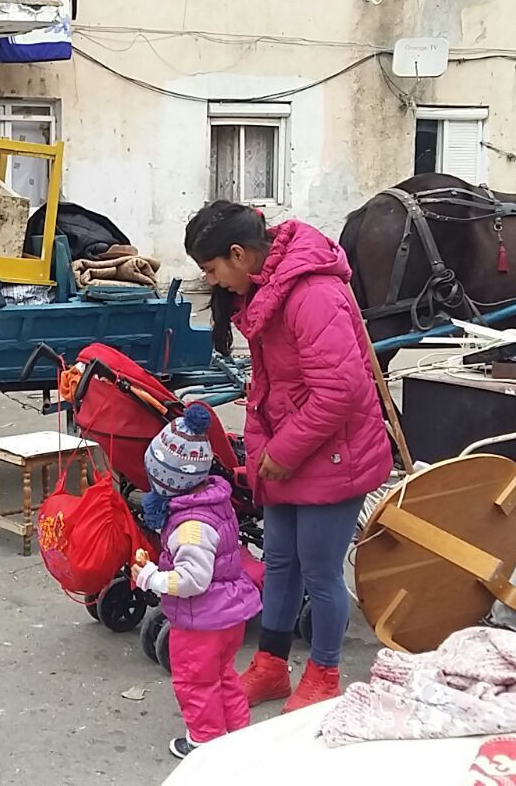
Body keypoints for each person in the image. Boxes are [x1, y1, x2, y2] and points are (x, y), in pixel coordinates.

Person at [183, 201, 389, 712]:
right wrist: (263, 456)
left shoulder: (313, 295)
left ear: (239, 254)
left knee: (320, 571)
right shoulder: (268, 292)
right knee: (279, 564)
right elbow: (273, 387)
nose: (214, 282)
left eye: (212, 270)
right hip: (286, 455)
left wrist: (283, 451)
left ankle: (324, 674)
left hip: (333, 456)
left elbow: (341, 390)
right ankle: (272, 666)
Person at [131, 405, 262, 759]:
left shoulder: (190, 527)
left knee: (195, 682)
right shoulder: (214, 502)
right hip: (229, 613)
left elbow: (193, 580)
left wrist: (151, 578)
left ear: (167, 481)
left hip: (201, 620)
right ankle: (236, 733)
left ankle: (203, 742)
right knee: (224, 677)